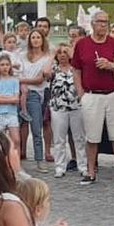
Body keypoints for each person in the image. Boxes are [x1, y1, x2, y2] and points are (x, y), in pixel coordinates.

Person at [72, 10, 114, 185]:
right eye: (100, 22)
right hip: (91, 95)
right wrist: (80, 93)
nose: (103, 25)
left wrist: (112, 65)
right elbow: (76, 70)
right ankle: (91, 172)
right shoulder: (82, 44)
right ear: (92, 23)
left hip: (113, 93)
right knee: (92, 135)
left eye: (106, 22)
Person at [47, 43, 85, 177]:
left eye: (65, 52)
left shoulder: (76, 69)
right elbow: (45, 73)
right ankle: (60, 167)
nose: (62, 55)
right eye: (60, 52)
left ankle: (83, 166)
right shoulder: (54, 69)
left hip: (76, 106)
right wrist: (52, 55)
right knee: (59, 139)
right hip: (58, 107)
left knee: (79, 138)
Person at [19, 29, 54, 171]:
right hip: (20, 93)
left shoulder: (47, 58)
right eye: (32, 37)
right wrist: (23, 83)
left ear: (42, 39)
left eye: (38, 37)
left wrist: (22, 80)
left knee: (36, 129)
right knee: (17, 128)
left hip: (35, 95)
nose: (35, 40)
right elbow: (17, 73)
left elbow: (41, 79)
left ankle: (39, 160)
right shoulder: (22, 56)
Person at [0, 54, 24, 153]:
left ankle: (16, 162)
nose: (5, 67)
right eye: (2, 65)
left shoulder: (15, 81)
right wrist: (9, 98)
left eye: (7, 65)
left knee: (16, 140)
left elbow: (16, 99)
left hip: (12, 114)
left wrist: (2, 97)